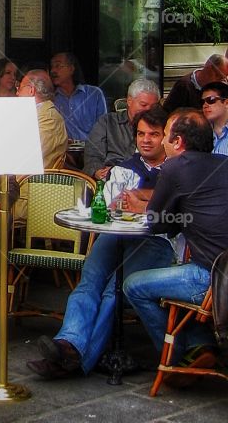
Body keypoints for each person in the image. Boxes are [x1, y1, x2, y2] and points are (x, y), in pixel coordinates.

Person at [27, 105, 175, 379]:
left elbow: (171, 209)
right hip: (117, 234)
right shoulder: (123, 169)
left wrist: (142, 199)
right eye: (141, 134)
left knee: (112, 291)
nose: (145, 140)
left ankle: (77, 360)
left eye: (153, 134)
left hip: (157, 241)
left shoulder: (176, 170)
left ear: (166, 136)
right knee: (89, 281)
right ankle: (68, 342)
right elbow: (109, 209)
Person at [123, 108, 228, 371]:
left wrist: (141, 209)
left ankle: (178, 356)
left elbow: (157, 223)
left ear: (178, 142)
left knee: (132, 285)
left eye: (166, 136)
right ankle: (200, 345)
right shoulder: (223, 163)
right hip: (223, 273)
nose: (163, 143)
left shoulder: (174, 167)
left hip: (209, 278)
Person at [12, 70, 68, 218]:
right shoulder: (35, 115)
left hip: (27, 194)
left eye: (19, 88)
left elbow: (27, 156)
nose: (16, 93)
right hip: (18, 187)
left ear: (30, 90)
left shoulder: (48, 118)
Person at [84, 78, 162, 178]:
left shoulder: (161, 126)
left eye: (153, 106)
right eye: (143, 105)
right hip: (110, 179)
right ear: (129, 101)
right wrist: (98, 171)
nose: (148, 110)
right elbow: (92, 156)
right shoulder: (108, 122)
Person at [50, 52, 107, 140]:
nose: (52, 71)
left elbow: (103, 128)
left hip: (91, 150)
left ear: (71, 69)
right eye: (52, 67)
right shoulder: (51, 99)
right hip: (63, 152)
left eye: (58, 66)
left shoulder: (94, 94)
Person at [163, 51, 228, 113]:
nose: (219, 81)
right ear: (209, 69)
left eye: (223, 79)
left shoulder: (219, 87)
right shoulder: (184, 85)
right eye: (218, 76)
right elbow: (168, 111)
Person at [201, 80, 228, 155]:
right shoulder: (198, 131)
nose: (205, 105)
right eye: (202, 102)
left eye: (211, 100)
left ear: (226, 103)